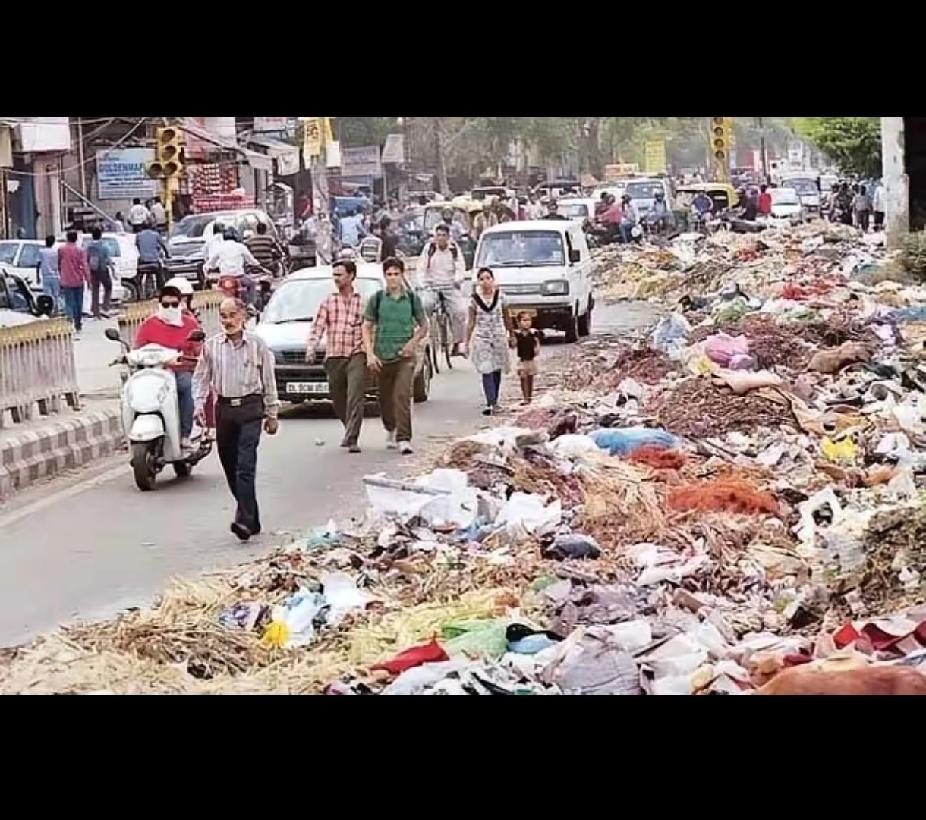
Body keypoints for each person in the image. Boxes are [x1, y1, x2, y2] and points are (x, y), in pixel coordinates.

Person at [193, 298, 279, 542]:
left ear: (243, 317)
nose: (227, 321)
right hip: (225, 410)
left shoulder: (257, 345)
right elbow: (201, 378)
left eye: (232, 315)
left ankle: (242, 520)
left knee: (245, 466)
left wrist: (272, 413)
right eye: (223, 316)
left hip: (251, 408)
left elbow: (268, 380)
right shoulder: (211, 346)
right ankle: (251, 516)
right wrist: (199, 404)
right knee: (230, 466)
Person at [362, 257, 427, 455]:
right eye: (389, 274)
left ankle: (404, 438)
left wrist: (411, 344)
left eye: (396, 274)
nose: (392, 278)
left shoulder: (412, 299)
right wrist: (370, 354)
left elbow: (424, 326)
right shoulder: (378, 299)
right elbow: (366, 327)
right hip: (383, 356)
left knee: (402, 396)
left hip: (404, 358)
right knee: (385, 398)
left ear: (402, 275)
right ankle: (390, 427)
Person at [306, 259, 367, 453]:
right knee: (338, 396)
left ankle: (352, 437)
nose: (336, 279)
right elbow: (318, 326)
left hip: (357, 353)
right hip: (335, 355)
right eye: (334, 275)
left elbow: (370, 327)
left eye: (339, 275)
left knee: (355, 396)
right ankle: (349, 427)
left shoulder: (363, 302)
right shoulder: (329, 302)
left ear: (351, 276)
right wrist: (311, 347)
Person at [135, 284, 202, 451]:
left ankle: (185, 434)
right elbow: (137, 349)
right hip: (154, 372)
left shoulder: (189, 324)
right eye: (165, 305)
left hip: (180, 371)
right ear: (159, 305)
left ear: (180, 304)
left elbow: (199, 350)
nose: (170, 308)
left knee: (186, 386)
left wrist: (191, 358)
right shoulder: (148, 325)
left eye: (174, 304)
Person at [464, 267, 510, 415]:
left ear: (493, 280)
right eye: (482, 279)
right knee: (486, 369)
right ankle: (490, 402)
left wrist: (513, 334)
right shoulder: (474, 300)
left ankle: (495, 400)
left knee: (497, 368)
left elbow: (507, 317)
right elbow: (470, 322)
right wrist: (466, 342)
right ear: (478, 282)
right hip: (481, 338)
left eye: (488, 278)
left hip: (498, 336)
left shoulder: (501, 296)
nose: (485, 282)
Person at [416, 223, 467, 355]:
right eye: (438, 235)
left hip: (450, 285)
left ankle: (457, 342)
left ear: (448, 237)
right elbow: (421, 268)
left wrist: (457, 280)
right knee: (425, 305)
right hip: (431, 286)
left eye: (444, 235)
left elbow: (461, 267)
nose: (441, 238)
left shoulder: (454, 249)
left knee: (460, 311)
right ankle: (424, 335)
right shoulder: (429, 248)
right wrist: (422, 284)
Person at [205, 227, 263, 305]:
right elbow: (251, 260)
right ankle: (250, 305)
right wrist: (257, 264)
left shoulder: (220, 247)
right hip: (239, 276)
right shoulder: (240, 247)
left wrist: (210, 268)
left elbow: (211, 263)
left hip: (224, 278)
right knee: (252, 284)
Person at [58, 230, 89, 337]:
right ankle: (78, 323)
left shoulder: (61, 249)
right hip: (78, 279)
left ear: (67, 238)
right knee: (78, 302)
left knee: (69, 302)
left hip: (66, 279)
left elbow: (59, 263)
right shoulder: (80, 250)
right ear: (76, 238)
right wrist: (88, 279)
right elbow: (84, 265)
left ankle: (69, 321)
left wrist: (61, 274)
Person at [511, 310, 541, 405]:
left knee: (530, 378)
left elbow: (537, 343)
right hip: (522, 360)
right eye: (524, 320)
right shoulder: (517, 334)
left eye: (528, 320)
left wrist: (537, 348)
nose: (527, 322)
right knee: (523, 378)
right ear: (519, 322)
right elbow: (513, 344)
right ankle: (525, 397)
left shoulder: (533, 333)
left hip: (531, 359)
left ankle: (529, 397)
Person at [85, 227, 114, 319]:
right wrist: (113, 270)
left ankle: (95, 310)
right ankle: (105, 307)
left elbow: (86, 259)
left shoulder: (89, 247)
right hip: (102, 269)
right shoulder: (104, 246)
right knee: (108, 287)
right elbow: (108, 259)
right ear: (100, 235)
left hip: (93, 270)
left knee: (95, 290)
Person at [136, 221, 170, 294]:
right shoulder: (156, 235)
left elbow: (137, 246)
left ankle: (140, 293)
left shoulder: (138, 235)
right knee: (160, 275)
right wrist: (167, 254)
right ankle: (160, 290)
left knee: (138, 278)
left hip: (143, 261)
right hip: (154, 261)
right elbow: (163, 246)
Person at [37, 235, 61, 313]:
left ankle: (49, 310)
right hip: (55, 275)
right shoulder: (56, 252)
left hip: (46, 275)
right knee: (56, 295)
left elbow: (38, 264)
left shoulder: (42, 252)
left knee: (47, 295)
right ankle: (56, 309)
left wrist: (37, 276)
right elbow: (59, 264)